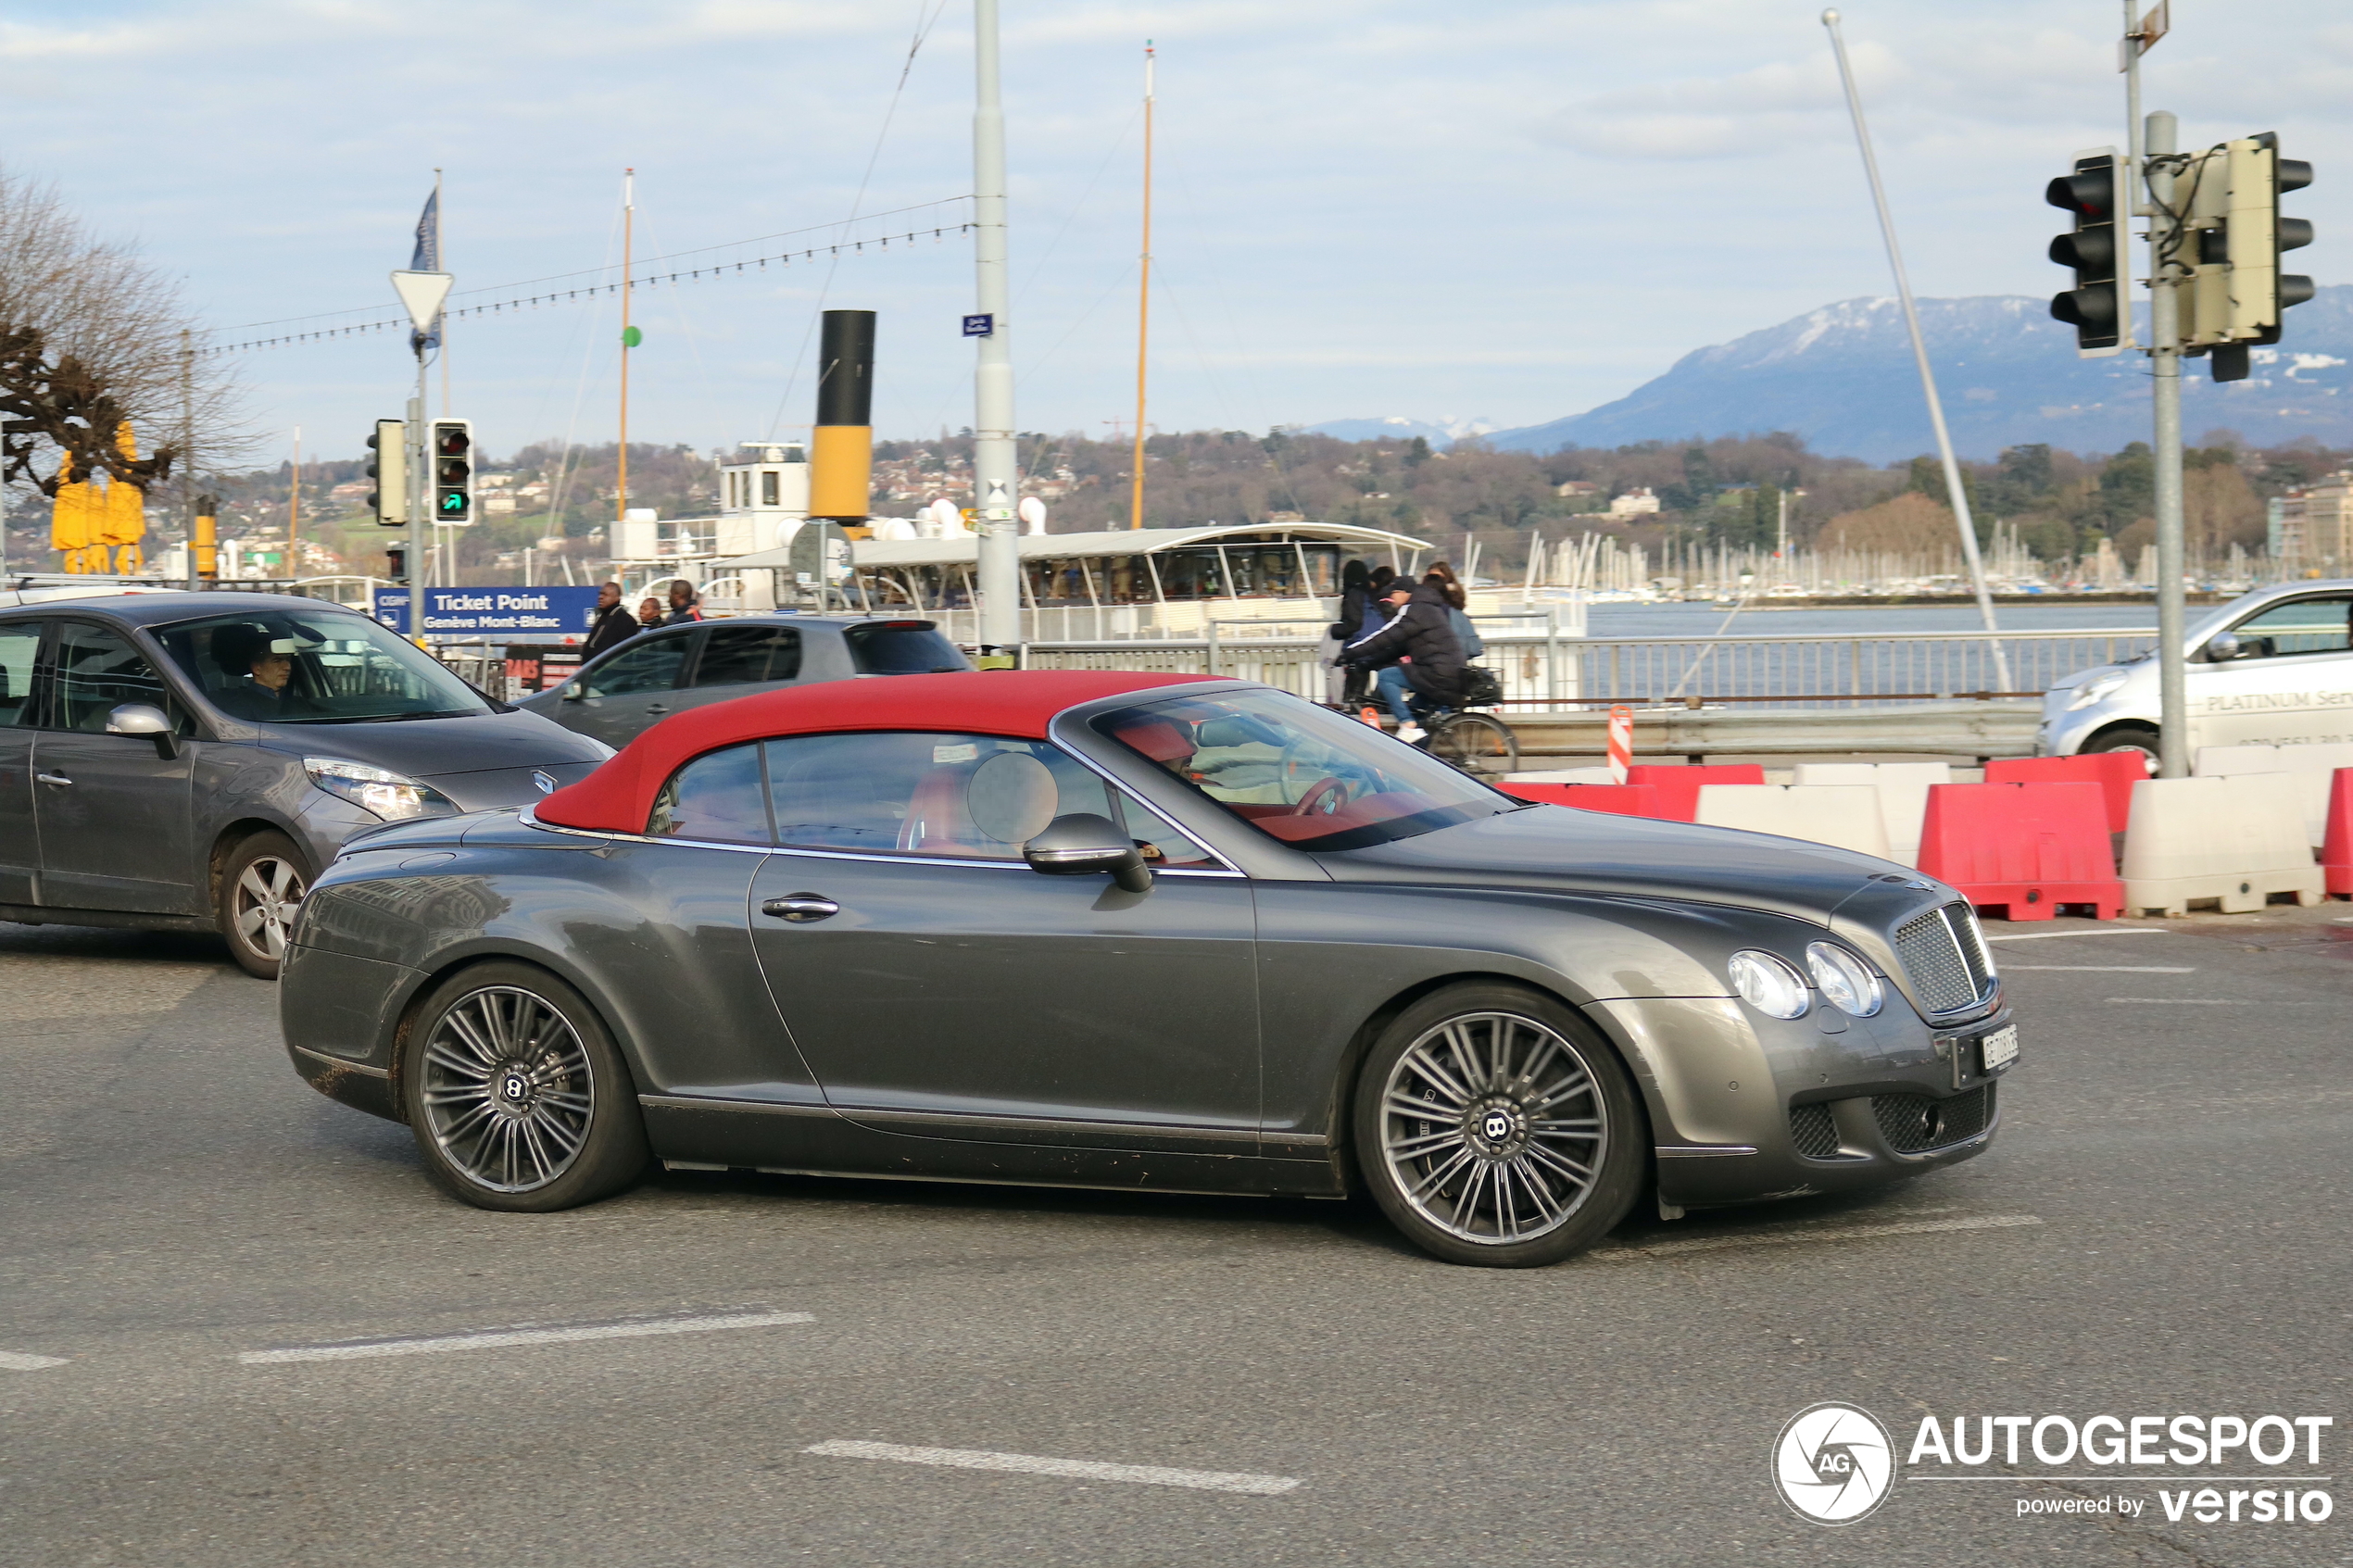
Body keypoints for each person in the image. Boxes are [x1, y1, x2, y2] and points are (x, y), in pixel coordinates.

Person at [1343, 574, 1466, 745]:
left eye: (1393, 594)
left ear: (1402, 593)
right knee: (1418, 716)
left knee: (1387, 676)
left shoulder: (1414, 610)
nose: (1391, 599)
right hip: (1448, 672)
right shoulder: (1426, 608)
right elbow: (1398, 648)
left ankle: (1406, 724)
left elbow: (1386, 636)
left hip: (1438, 673)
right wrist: (1367, 663)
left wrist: (1350, 652)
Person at [209, 628, 303, 721]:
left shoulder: (303, 705)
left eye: (288, 660)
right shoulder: (237, 707)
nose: (287, 667)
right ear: (256, 668)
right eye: (277, 661)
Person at [1322, 558, 1379, 705]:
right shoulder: (1371, 593)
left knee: (1350, 697)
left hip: (1357, 649)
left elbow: (1353, 623)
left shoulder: (1354, 594)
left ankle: (1350, 719)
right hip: (1373, 646)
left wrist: (1334, 630)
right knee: (1361, 691)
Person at [582, 582, 639, 659]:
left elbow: (625, 652)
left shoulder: (626, 621)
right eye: (600, 594)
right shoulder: (602, 616)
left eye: (605, 595)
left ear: (617, 597)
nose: (600, 597)